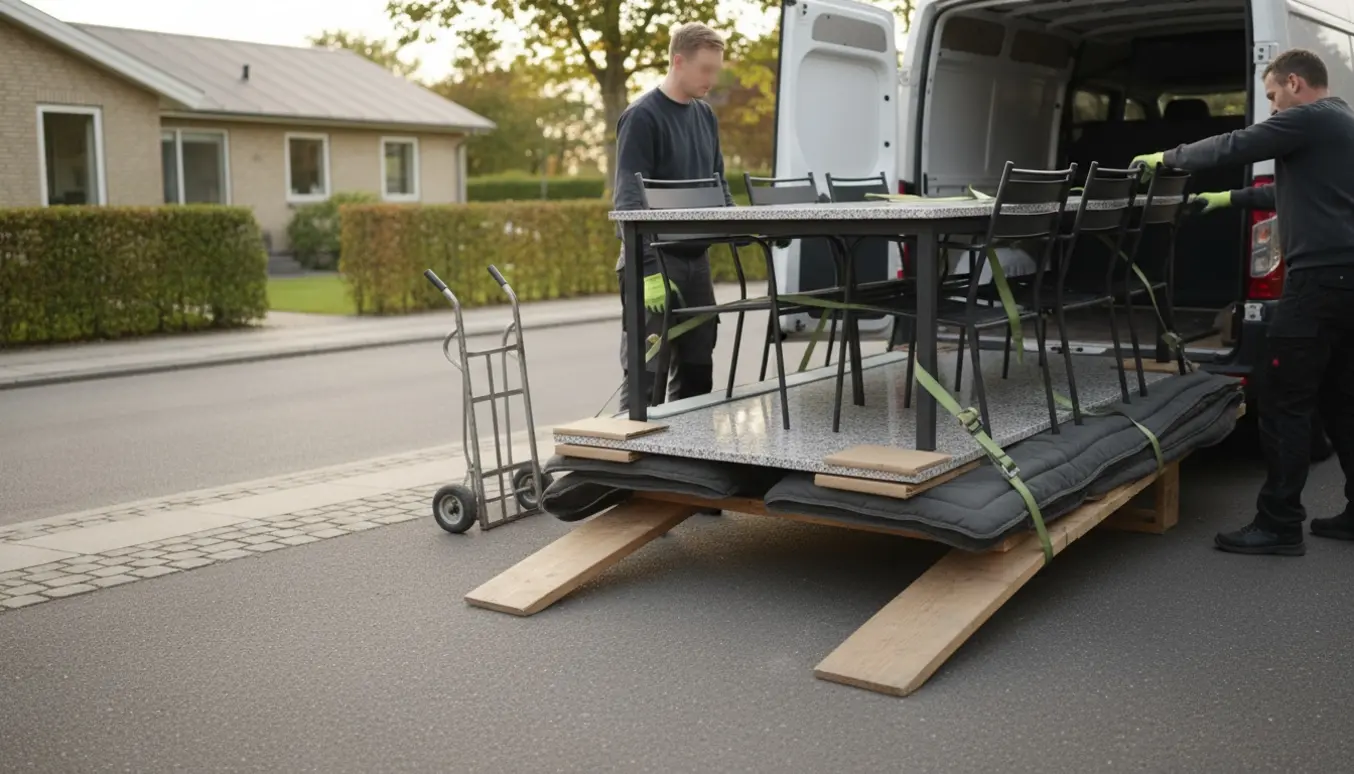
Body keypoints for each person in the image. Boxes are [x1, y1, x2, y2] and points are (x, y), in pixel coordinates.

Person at [1133, 49, 1354, 556]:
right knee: (1343, 402)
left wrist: (1166, 158)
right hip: (1346, 283)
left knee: (1283, 401)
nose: (1273, 108)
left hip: (1317, 285)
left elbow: (1237, 144)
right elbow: (1294, 193)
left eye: (1273, 96)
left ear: (1294, 83)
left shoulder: (1308, 119)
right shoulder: (1340, 123)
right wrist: (1224, 201)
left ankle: (1278, 525)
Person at [612, 22, 732, 412]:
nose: (711, 79)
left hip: (696, 264)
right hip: (652, 265)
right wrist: (646, 268)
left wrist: (753, 231)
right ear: (678, 61)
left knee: (699, 369)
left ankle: (686, 463)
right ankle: (633, 466)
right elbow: (628, 200)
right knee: (648, 377)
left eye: (716, 70)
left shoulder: (705, 116)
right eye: (705, 70)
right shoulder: (642, 117)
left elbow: (719, 188)